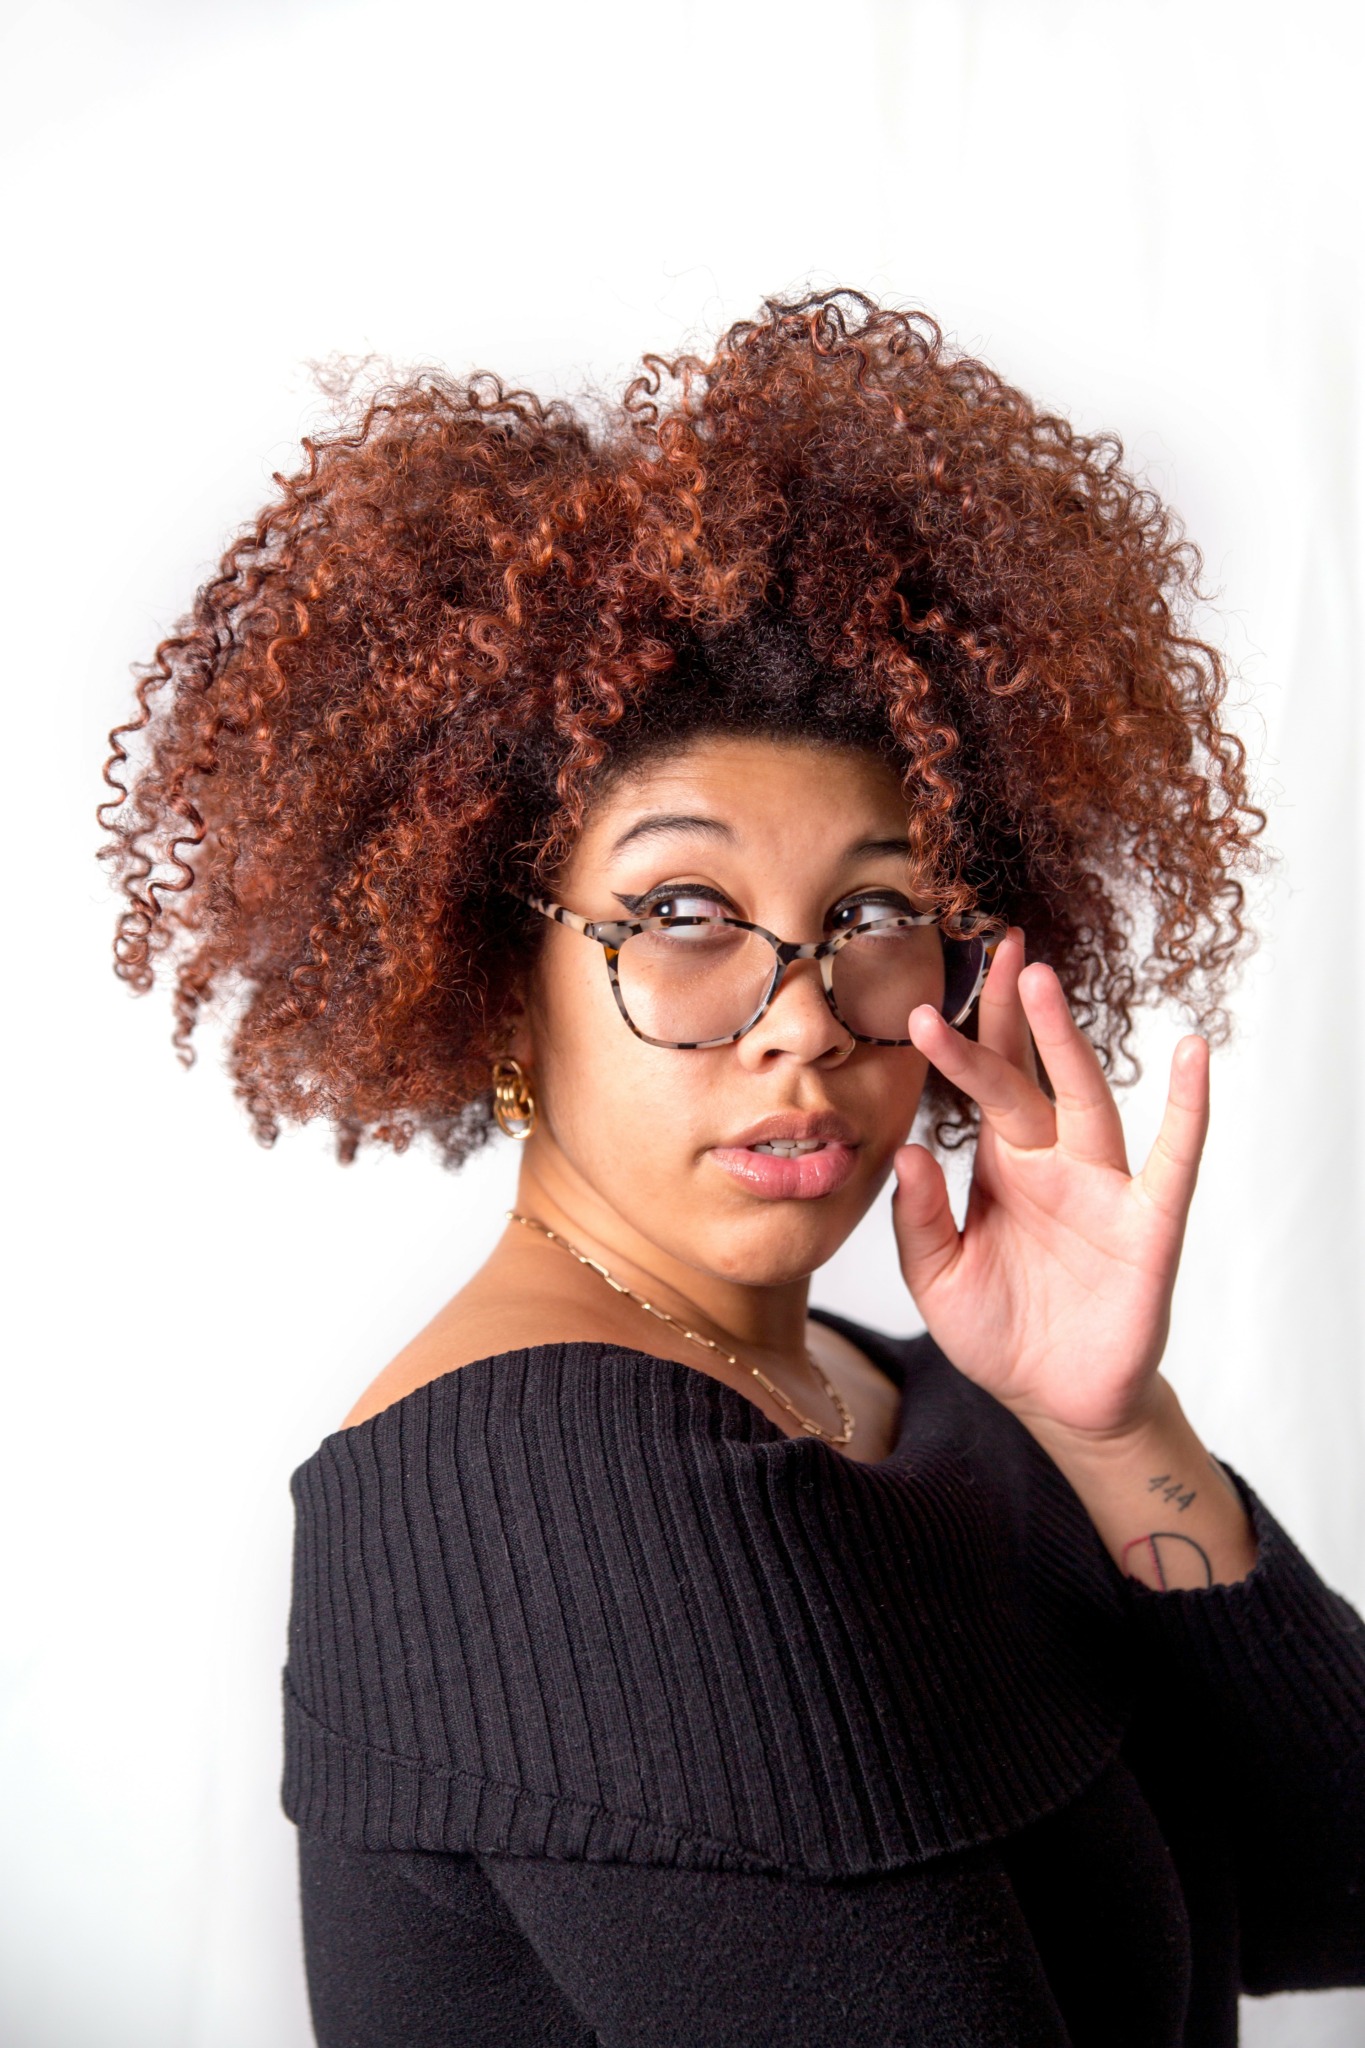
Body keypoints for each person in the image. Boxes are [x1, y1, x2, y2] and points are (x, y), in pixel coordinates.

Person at [100, 291, 1364, 2046]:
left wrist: (1106, 1426)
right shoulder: (549, 1494)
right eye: (683, 913)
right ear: (496, 972)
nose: (805, 1020)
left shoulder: (904, 1394)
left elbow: (1328, 1889)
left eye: (873, 912)